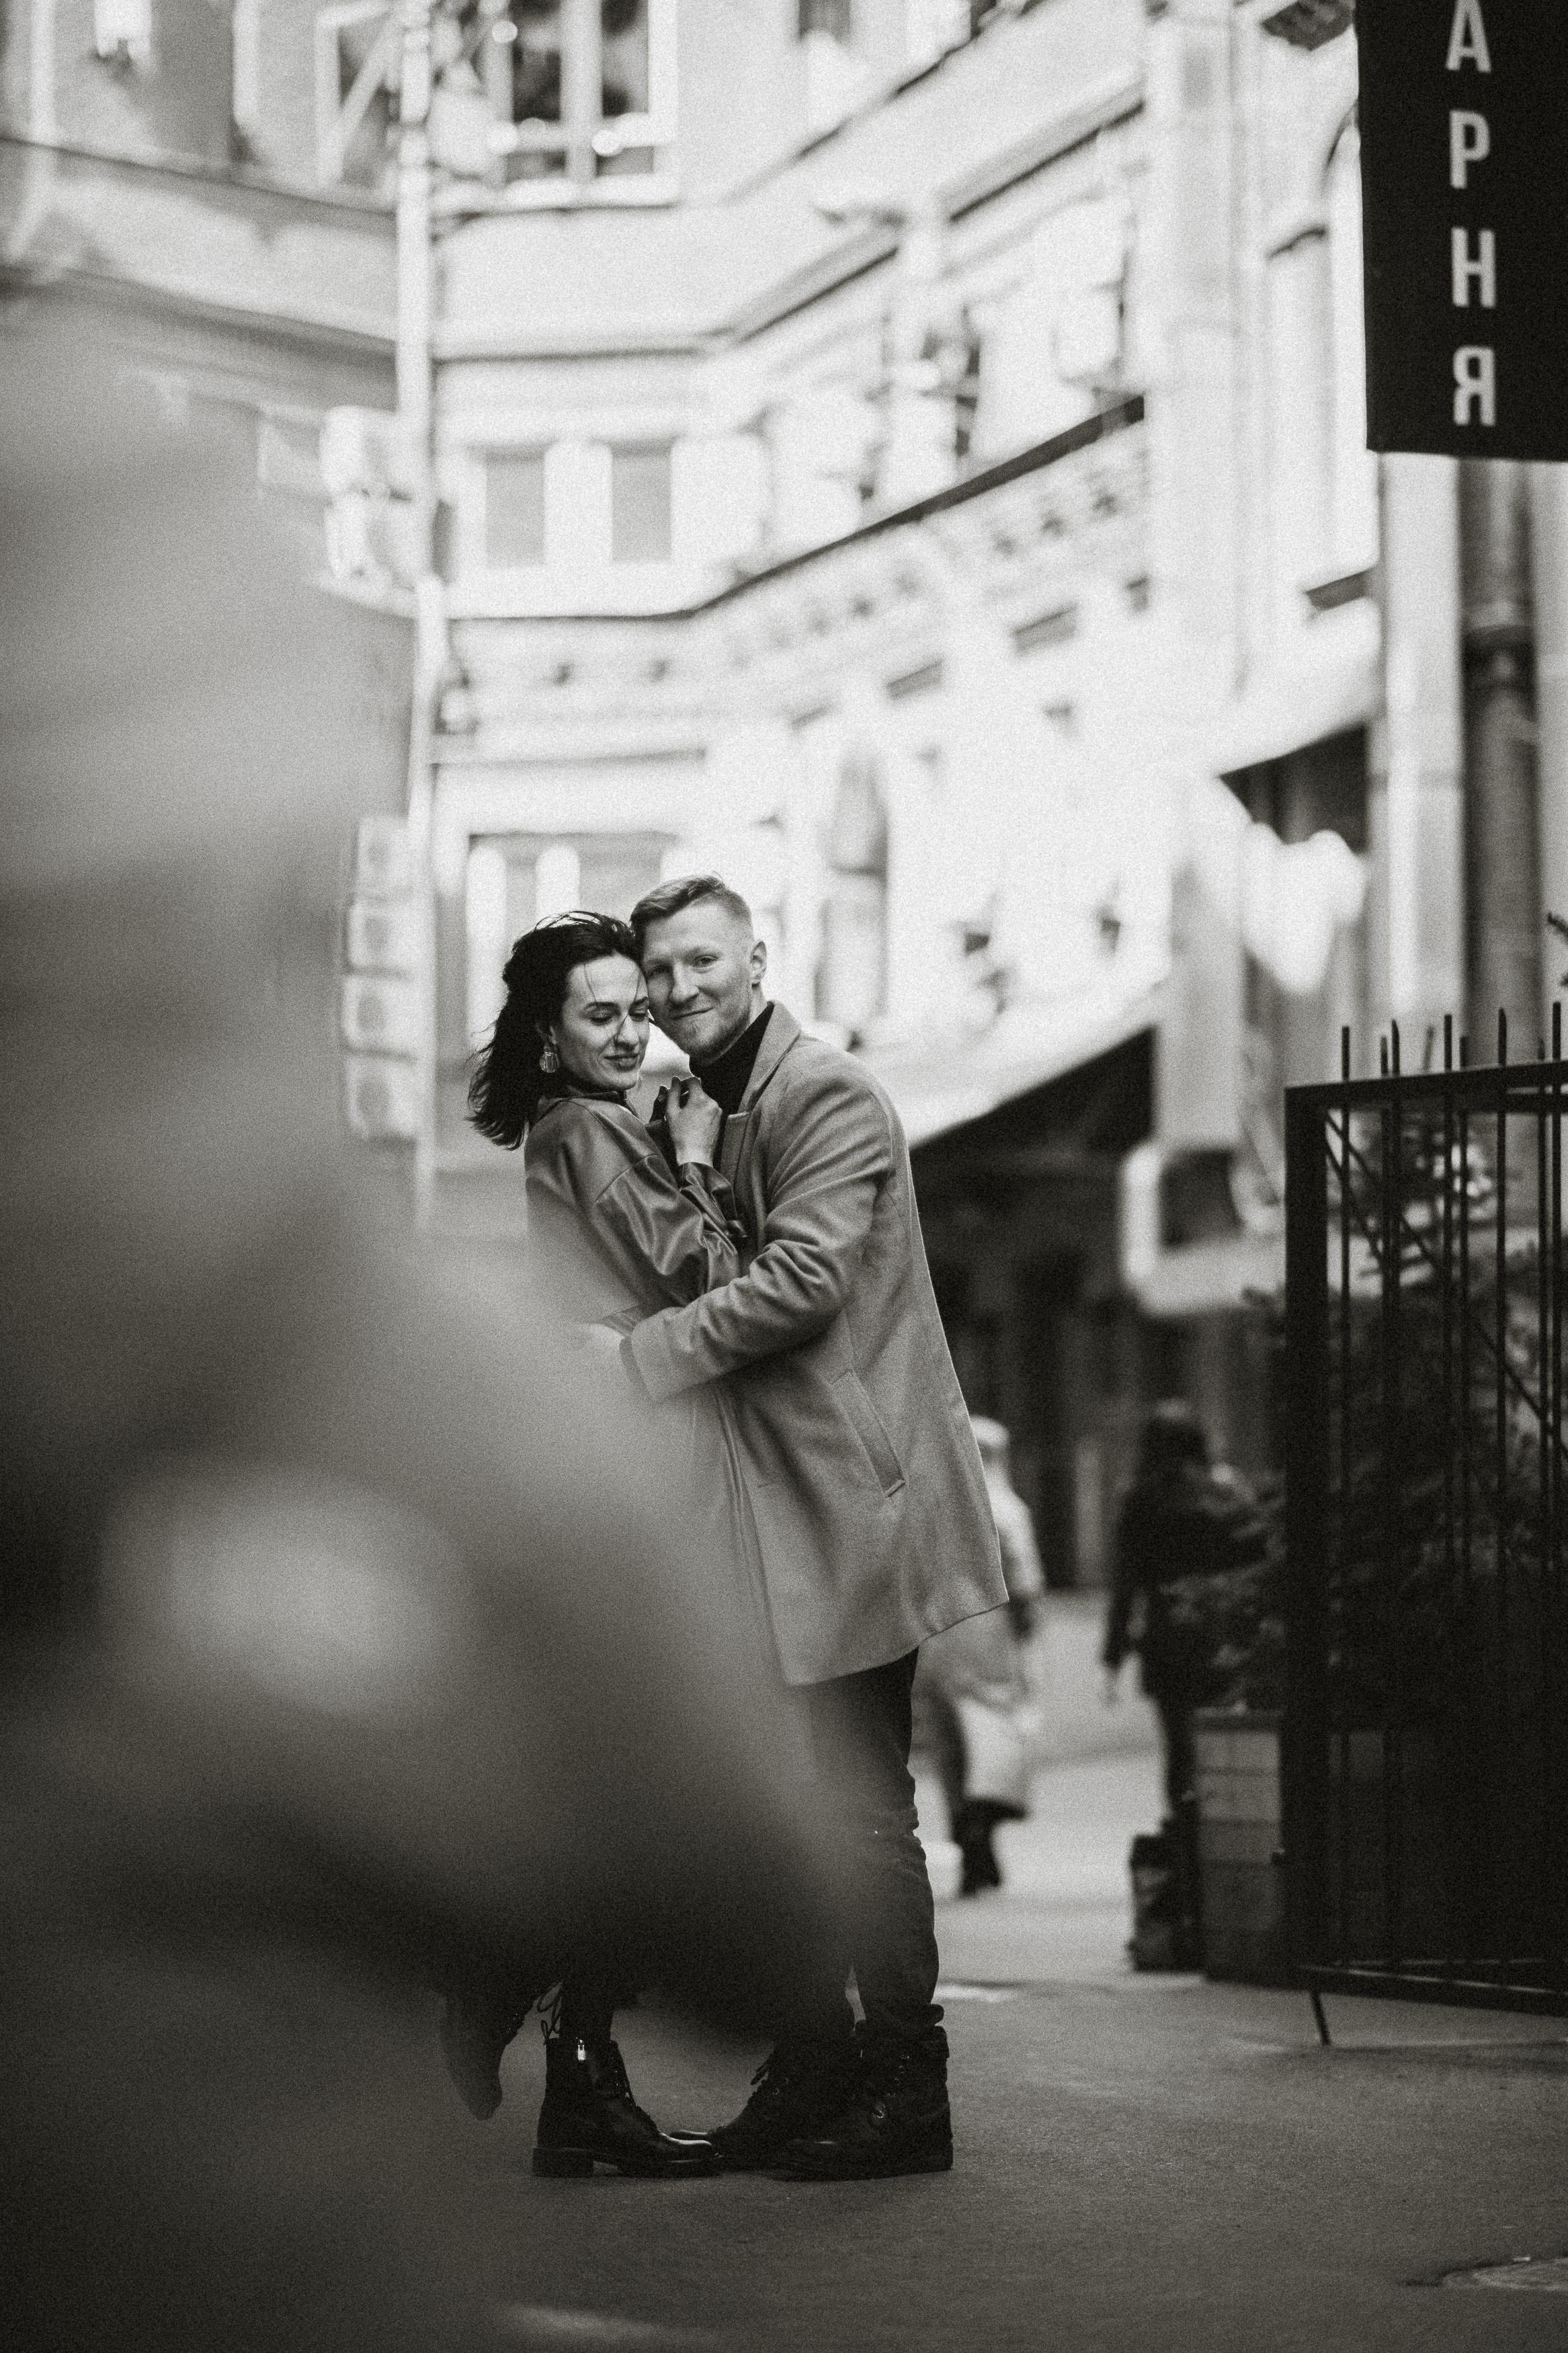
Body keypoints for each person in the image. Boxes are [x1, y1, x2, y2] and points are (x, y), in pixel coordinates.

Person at [610, 873, 1009, 2182]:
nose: (675, 990)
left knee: (854, 1808)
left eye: (699, 962)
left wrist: (635, 1359)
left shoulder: (818, 1091)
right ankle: (818, 2060)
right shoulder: (718, 1100)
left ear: (755, 958)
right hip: (779, 1513)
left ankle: (905, 2081)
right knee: (797, 1799)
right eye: (657, 968)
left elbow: (800, 1279)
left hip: (849, 1505)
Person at [456, 908, 755, 2178]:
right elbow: (714, 1274)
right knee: (647, 1789)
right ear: (548, 1033)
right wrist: (695, 1158)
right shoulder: (597, 1134)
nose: (637, 1030)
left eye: (640, 1007)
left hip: (625, 1457)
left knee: (623, 1789)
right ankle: (499, 1976)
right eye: (605, 1014)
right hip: (649, 1467)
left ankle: (575, 2080)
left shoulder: (574, 1129)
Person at [1102, 1400, 1265, 1947]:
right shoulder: (1229, 1491)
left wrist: (1113, 1651)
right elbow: (1254, 1563)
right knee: (1222, 1757)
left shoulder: (1143, 1500)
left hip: (1168, 1644)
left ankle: (1187, 1877)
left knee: (1180, 1758)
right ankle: (1218, 1865)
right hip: (1220, 1641)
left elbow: (1127, 1581)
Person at [915, 1415, 1044, 1896]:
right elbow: (1026, 1583)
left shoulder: (929, 1507)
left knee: (950, 1746)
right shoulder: (1007, 1510)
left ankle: (966, 1836)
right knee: (990, 1741)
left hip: (936, 1637)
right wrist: (1028, 1641)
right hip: (990, 1638)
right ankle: (982, 1832)